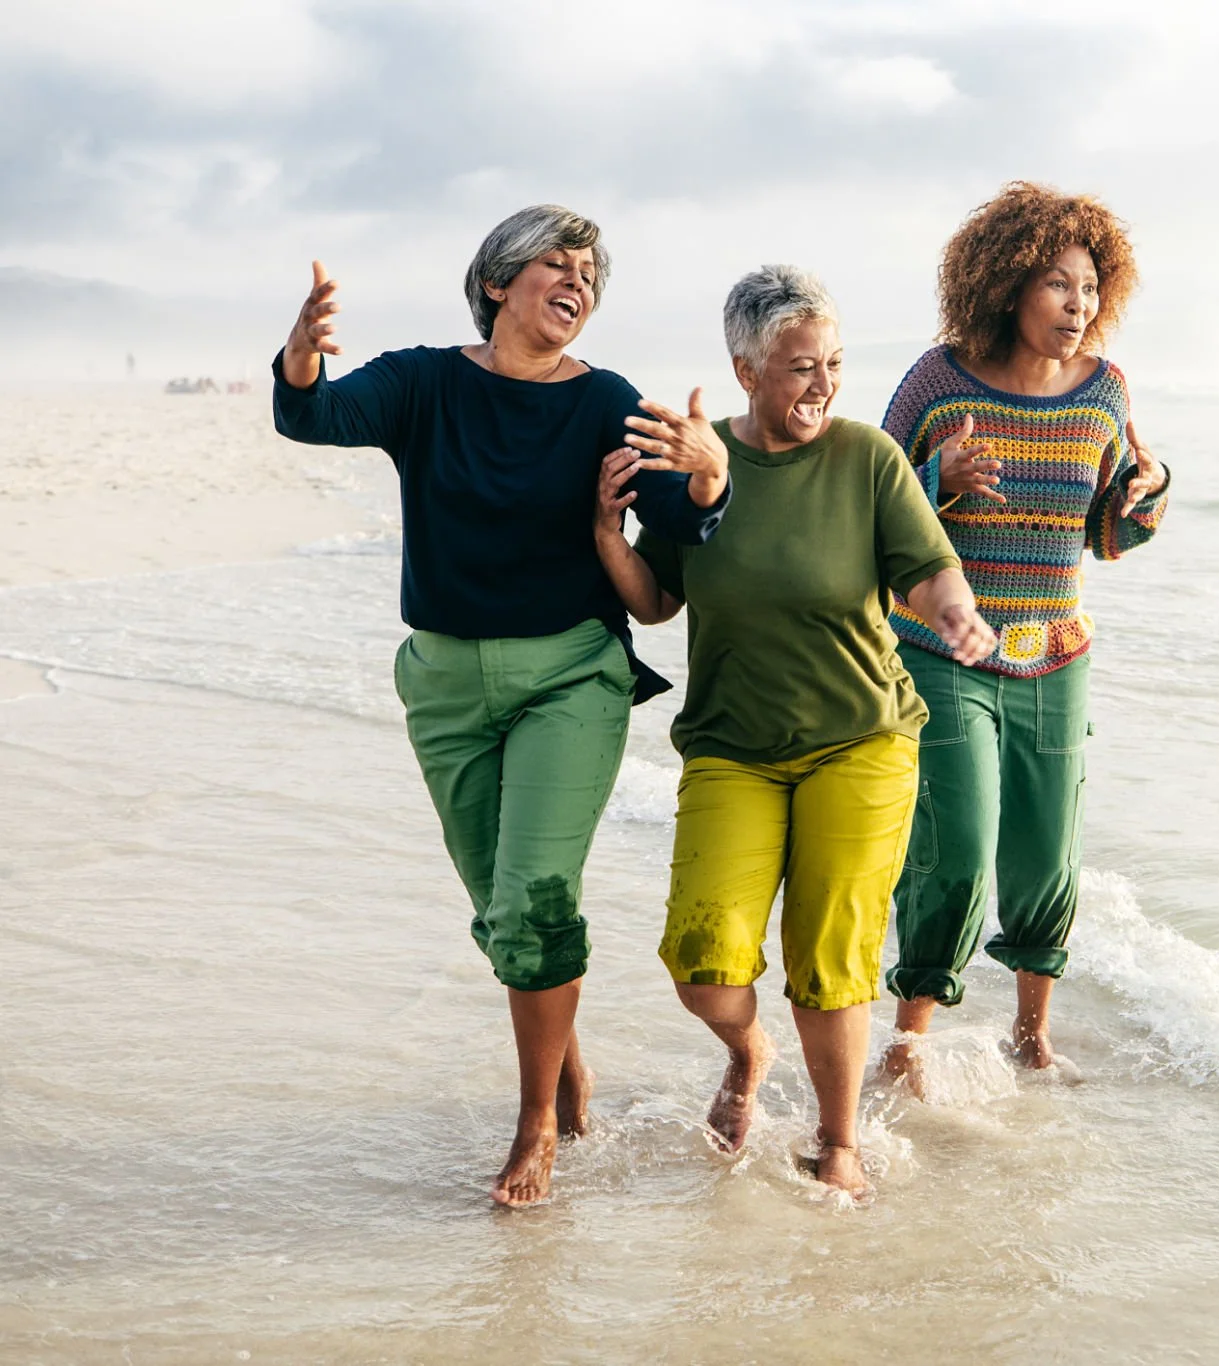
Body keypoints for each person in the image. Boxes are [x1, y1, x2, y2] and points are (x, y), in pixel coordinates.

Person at [271, 204, 731, 1207]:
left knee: (531, 895)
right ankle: (564, 1059)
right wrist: (300, 357)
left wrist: (703, 480)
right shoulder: (425, 382)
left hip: (570, 674)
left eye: (589, 275)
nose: (576, 282)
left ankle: (535, 1129)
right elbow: (313, 414)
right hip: (442, 682)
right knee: (498, 913)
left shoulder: (607, 400)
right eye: (555, 265)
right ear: (497, 282)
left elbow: (677, 524)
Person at [594, 265, 995, 1195]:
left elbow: (928, 568)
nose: (822, 385)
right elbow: (656, 602)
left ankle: (838, 1139)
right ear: (746, 369)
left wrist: (956, 612)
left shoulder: (865, 458)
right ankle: (747, 1052)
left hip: (862, 736)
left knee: (833, 956)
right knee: (704, 965)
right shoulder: (696, 465)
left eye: (834, 365)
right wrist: (612, 539)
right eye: (800, 367)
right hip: (733, 745)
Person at [879, 183, 1170, 1089]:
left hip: (1056, 654)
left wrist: (1150, 484)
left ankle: (1031, 1035)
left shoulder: (1106, 392)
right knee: (957, 850)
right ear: (1008, 286)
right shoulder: (940, 379)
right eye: (1057, 285)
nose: (1077, 307)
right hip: (942, 649)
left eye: (1088, 288)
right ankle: (910, 1034)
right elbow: (869, 510)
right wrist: (939, 473)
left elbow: (1109, 534)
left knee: (1047, 853)